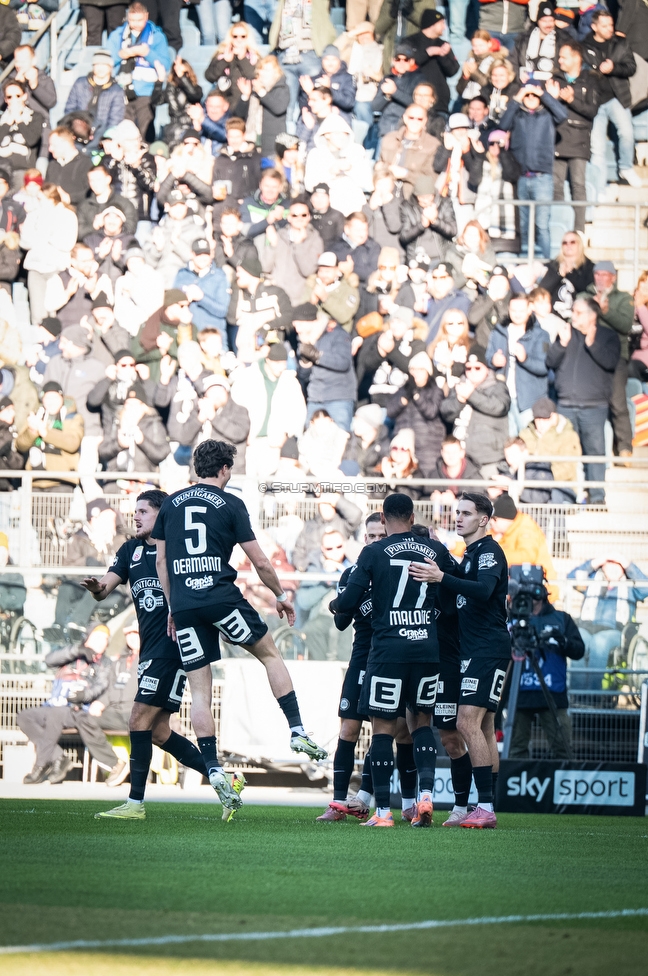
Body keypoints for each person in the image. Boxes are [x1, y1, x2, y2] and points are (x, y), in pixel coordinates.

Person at [152, 439, 327, 792]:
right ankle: (296, 730)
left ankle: (214, 769)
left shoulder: (170, 503)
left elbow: (161, 562)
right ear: (225, 469)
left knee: (200, 691)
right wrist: (281, 596)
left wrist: (172, 607)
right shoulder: (231, 503)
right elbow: (260, 560)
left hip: (184, 605)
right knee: (269, 654)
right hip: (221, 599)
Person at [83, 490, 243, 819]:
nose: (136, 516)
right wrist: (97, 588)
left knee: (137, 718)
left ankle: (135, 803)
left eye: (143, 511)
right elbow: (104, 588)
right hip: (150, 650)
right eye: (135, 511)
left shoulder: (179, 550)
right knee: (157, 731)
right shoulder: (129, 550)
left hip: (173, 646)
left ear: (162, 514)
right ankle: (227, 780)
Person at [329, 491, 457, 828]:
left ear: (384, 519)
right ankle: (424, 797)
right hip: (427, 650)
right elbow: (458, 586)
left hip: (389, 651)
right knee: (421, 724)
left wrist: (335, 604)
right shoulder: (434, 549)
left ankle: (383, 812)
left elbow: (348, 602)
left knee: (383, 730)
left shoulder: (373, 552)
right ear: (413, 518)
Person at [410, 492, 511, 828]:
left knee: (466, 722)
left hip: (488, 648)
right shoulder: (468, 555)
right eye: (457, 512)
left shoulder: (488, 551)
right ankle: (483, 806)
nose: (459, 518)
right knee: (483, 726)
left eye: (466, 513)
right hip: (473, 650)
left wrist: (441, 577)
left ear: (483, 519)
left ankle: (485, 807)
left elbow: (483, 590)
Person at [318, 512, 418, 823]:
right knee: (348, 729)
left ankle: (373, 798)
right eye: (371, 536)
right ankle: (338, 803)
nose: (375, 540)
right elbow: (340, 622)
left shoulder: (398, 571)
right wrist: (352, 593)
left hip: (391, 658)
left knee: (393, 731)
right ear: (364, 538)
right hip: (361, 657)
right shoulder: (352, 573)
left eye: (381, 536)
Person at [17, 626, 123, 786]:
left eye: (105, 639)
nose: (101, 642)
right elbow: (49, 660)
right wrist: (76, 650)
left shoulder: (105, 663)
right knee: (25, 717)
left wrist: (83, 696)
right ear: (87, 639)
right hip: (54, 704)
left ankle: (40, 765)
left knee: (56, 714)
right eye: (97, 637)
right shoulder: (72, 655)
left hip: (78, 710)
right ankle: (58, 757)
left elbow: (101, 685)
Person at [546, 296, 620, 503]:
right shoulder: (567, 334)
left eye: (578, 312)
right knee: (564, 452)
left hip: (594, 407)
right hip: (566, 405)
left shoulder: (608, 336)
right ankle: (565, 497)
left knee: (594, 453)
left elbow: (611, 362)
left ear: (592, 316)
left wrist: (592, 344)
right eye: (573, 311)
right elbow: (550, 361)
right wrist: (561, 344)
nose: (573, 316)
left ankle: (597, 497)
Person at [509, 580, 585, 759]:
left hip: (553, 692)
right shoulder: (511, 617)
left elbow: (579, 650)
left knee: (562, 748)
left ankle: (563, 776)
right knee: (516, 749)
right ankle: (517, 777)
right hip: (518, 693)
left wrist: (562, 641)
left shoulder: (561, 618)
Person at [499, 82, 568, 259]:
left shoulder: (547, 115)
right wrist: (517, 98)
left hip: (542, 178)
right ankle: (524, 262)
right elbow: (503, 125)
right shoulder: (517, 115)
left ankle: (545, 263)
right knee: (523, 226)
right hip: (522, 177)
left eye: (534, 95)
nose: (530, 98)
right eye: (527, 95)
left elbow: (563, 115)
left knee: (541, 226)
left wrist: (543, 94)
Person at [582, 10, 641, 195]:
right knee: (597, 148)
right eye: (605, 26)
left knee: (627, 133)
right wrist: (595, 71)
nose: (610, 29)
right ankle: (599, 189)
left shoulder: (620, 43)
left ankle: (626, 167)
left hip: (617, 98)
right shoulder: (583, 46)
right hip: (594, 103)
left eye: (611, 25)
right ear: (594, 27)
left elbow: (631, 67)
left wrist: (614, 68)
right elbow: (580, 72)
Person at [568, 554, 648, 690]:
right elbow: (572, 577)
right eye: (609, 565)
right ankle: (578, 693)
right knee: (578, 640)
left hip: (614, 630)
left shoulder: (630, 586)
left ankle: (593, 694)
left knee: (599, 642)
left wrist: (628, 565)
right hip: (587, 626)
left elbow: (645, 589)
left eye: (618, 565)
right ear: (603, 567)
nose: (614, 569)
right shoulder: (592, 581)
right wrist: (593, 563)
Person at [545, 41, 599, 236]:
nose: (559, 60)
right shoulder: (555, 79)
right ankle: (559, 230)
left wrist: (570, 100)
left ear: (576, 58)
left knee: (578, 185)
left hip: (579, 139)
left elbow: (592, 111)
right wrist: (551, 98)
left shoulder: (590, 80)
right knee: (556, 185)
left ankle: (579, 231)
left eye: (563, 57)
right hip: (557, 138)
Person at [585, 260, 635, 459]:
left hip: (616, 356)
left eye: (604, 274)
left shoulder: (623, 298)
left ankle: (624, 447)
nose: (600, 278)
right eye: (597, 274)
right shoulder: (584, 296)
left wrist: (605, 312)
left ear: (613, 277)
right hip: (589, 354)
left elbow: (625, 325)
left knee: (618, 401)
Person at [440, 344, 511, 478]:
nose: (472, 372)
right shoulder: (459, 386)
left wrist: (471, 395)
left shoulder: (497, 386)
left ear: (486, 368)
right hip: (462, 460)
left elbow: (500, 406)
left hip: (489, 458)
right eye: (469, 368)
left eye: (477, 368)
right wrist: (459, 401)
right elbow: (445, 412)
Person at [486, 292, 551, 434]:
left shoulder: (541, 335)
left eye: (521, 310)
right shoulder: (499, 332)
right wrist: (493, 360)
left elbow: (545, 367)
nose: (517, 314)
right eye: (513, 310)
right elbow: (488, 357)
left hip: (529, 401)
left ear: (529, 310)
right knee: (509, 441)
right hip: (503, 397)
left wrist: (525, 359)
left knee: (529, 441)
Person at [107, 1, 172, 142]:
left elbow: (165, 64)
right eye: (132, 20)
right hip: (122, 90)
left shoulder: (157, 36)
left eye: (139, 20)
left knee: (145, 132)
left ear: (146, 16)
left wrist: (147, 53)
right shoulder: (117, 35)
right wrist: (121, 54)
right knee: (124, 132)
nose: (136, 24)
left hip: (146, 92)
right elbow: (107, 61)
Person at [295, 308, 357, 432]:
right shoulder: (304, 340)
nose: (297, 329)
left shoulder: (338, 334)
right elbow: (304, 376)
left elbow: (343, 363)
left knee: (339, 438)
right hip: (315, 398)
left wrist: (316, 356)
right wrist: (305, 362)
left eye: (300, 324)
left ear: (312, 321)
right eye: (295, 326)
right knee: (310, 438)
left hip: (338, 398)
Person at [15, 381, 84, 492]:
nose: (51, 402)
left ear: (62, 398)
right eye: (47, 398)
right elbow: (20, 445)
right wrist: (32, 431)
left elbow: (72, 443)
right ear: (42, 400)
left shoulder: (72, 417)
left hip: (62, 480)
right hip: (34, 480)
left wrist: (45, 432)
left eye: (55, 398)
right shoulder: (36, 416)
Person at [261, 197, 324, 305]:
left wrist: (299, 245)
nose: (299, 218)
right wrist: (272, 246)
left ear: (309, 217)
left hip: (298, 300)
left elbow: (308, 271)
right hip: (274, 296)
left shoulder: (315, 240)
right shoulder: (279, 236)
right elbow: (266, 267)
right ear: (289, 217)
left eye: (303, 215)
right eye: (295, 215)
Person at [519, 397, 582, 503]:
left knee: (555, 500)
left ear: (554, 416)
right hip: (530, 485)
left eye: (545, 419)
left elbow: (568, 468)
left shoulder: (568, 436)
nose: (540, 424)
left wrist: (543, 477)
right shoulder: (525, 434)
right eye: (537, 419)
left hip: (561, 486)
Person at [489, 493, 557, 588]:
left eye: (495, 519)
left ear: (507, 519)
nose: (491, 522)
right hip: (515, 584)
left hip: (539, 586)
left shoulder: (526, 528)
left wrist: (495, 556)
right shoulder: (499, 531)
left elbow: (527, 557)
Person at [64, 49, 126, 149]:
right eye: (97, 64)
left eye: (104, 64)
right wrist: (76, 129)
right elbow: (69, 109)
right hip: (77, 132)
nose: (100, 68)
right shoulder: (80, 83)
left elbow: (115, 119)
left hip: (101, 137)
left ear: (110, 67)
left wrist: (105, 139)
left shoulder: (116, 90)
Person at [379, 102, 439, 201]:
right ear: (405, 118)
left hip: (413, 197)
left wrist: (406, 174)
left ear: (425, 121)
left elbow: (431, 179)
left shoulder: (432, 145)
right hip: (386, 192)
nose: (415, 121)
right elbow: (379, 166)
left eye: (419, 119)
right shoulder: (389, 139)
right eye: (411, 118)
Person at [174, 237, 229, 342]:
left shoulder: (219, 276)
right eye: (199, 254)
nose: (203, 258)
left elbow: (223, 310)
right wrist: (183, 299)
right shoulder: (182, 274)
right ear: (192, 254)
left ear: (211, 255)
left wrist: (202, 298)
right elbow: (172, 304)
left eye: (206, 254)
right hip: (187, 335)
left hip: (212, 338)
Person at [408, 10, 459, 115]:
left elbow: (453, 71)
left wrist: (442, 55)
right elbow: (406, 64)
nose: (444, 27)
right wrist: (427, 53)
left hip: (440, 103)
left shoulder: (443, 44)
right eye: (442, 23)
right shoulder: (411, 42)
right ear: (432, 24)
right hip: (414, 102)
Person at [0, 79, 46, 189]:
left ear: (25, 96)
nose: (14, 100)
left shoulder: (35, 117)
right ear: (5, 99)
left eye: (18, 96)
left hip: (22, 168)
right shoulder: (2, 119)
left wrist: (19, 120)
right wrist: (8, 122)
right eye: (9, 97)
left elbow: (32, 140)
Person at [539, 230, 595, 320]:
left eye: (572, 242)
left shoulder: (589, 267)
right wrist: (559, 274)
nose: (568, 245)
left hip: (577, 317)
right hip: (553, 316)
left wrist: (570, 273)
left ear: (579, 244)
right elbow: (542, 290)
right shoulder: (553, 265)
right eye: (565, 243)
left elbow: (586, 289)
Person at [46, 126, 94, 208]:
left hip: (76, 210)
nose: (50, 149)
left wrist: (70, 198)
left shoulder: (85, 163)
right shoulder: (52, 164)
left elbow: (91, 191)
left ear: (65, 144)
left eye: (53, 145)